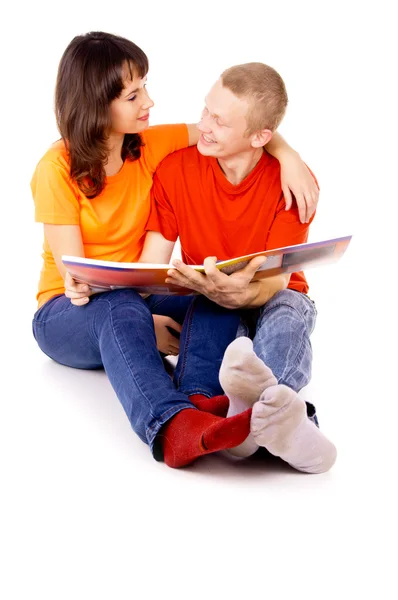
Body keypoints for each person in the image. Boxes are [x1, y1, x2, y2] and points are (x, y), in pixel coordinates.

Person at [31, 31, 321, 469]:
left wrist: (289, 154)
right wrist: (146, 321)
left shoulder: (150, 143)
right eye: (133, 95)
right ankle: (172, 425)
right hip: (68, 310)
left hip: (137, 292)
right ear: (97, 104)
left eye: (145, 86)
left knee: (211, 291)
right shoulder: (56, 169)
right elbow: (81, 282)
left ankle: (212, 403)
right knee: (123, 309)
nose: (148, 101)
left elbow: (244, 132)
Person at [141, 62, 337, 473]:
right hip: (205, 296)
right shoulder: (177, 170)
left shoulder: (293, 186)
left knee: (287, 309)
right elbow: (150, 268)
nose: (203, 125)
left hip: (272, 295)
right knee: (210, 307)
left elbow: (275, 281)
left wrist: (241, 294)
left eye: (219, 121)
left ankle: (251, 419)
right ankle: (279, 425)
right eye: (206, 110)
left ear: (260, 137)